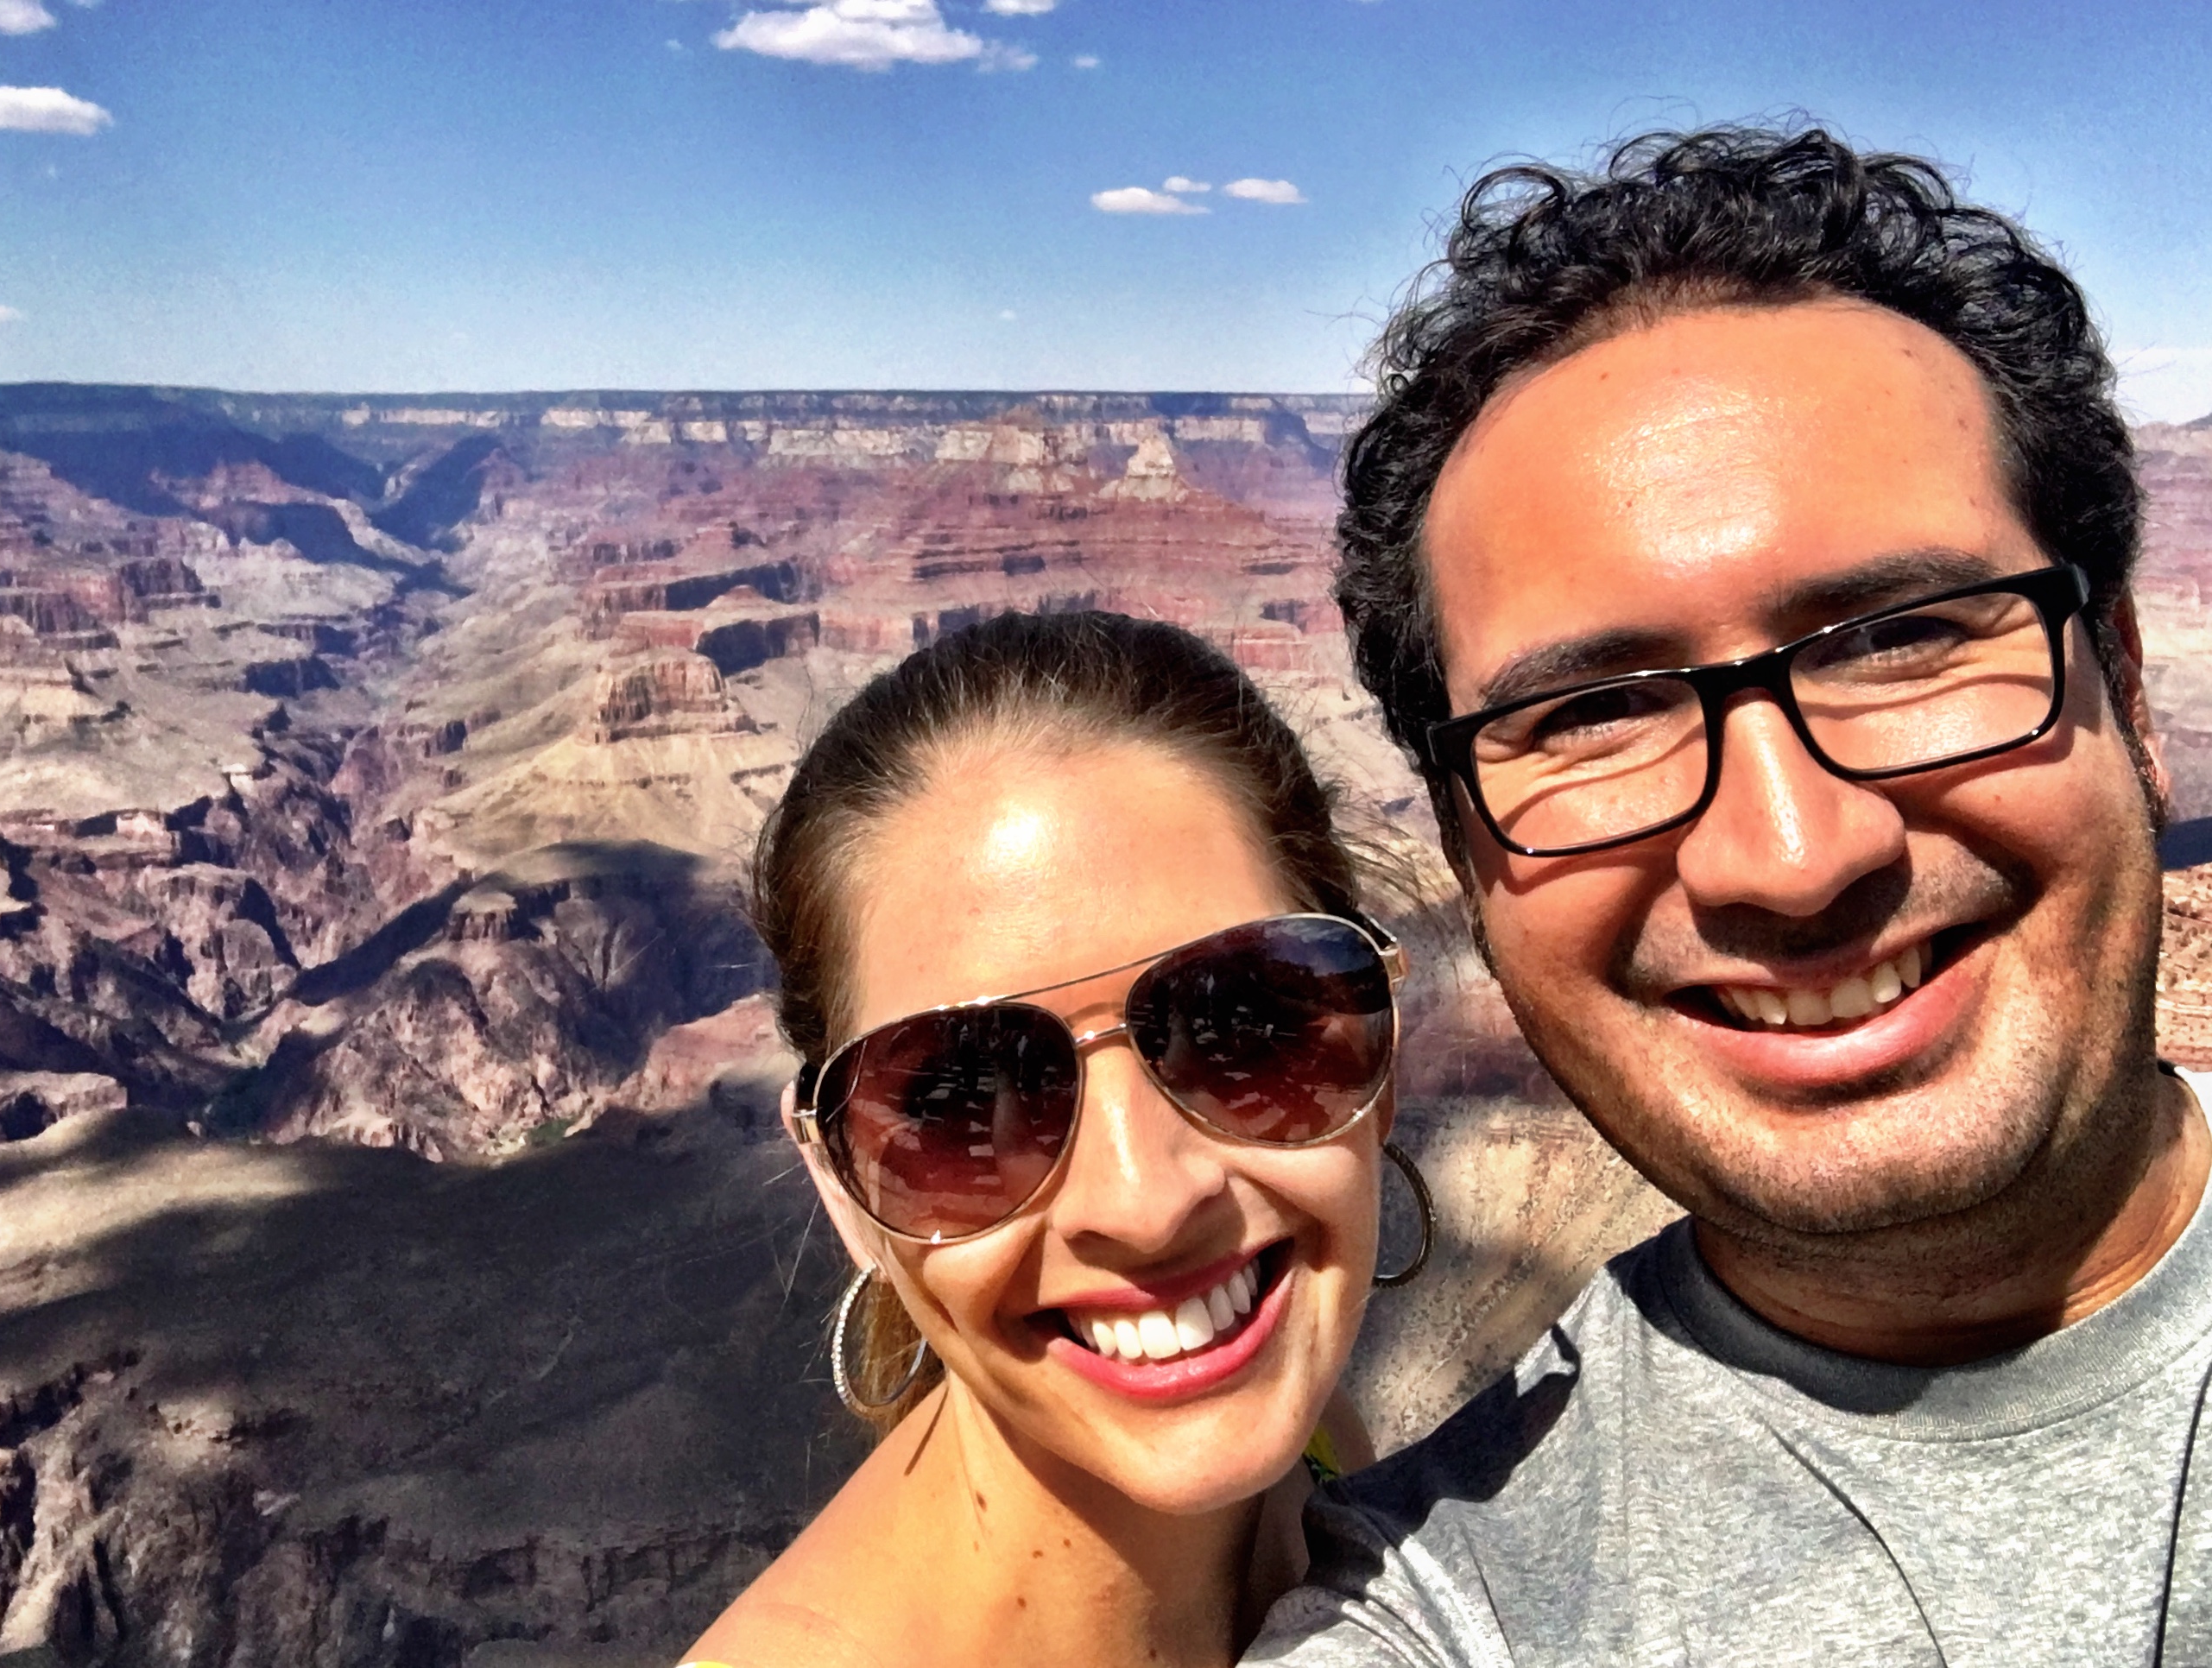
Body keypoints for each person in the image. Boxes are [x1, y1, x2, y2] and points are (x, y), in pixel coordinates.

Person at [1250, 126, 2212, 1665]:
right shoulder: (1437, 1606)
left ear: (2131, 688)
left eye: (1900, 637)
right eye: (1589, 715)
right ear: (1465, 852)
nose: (1793, 854)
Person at [680, 610, 1432, 1668]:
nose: (1145, 1200)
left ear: (1376, 1042)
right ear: (843, 1189)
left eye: (1242, 1030)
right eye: (962, 1099)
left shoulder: (1306, 1456)